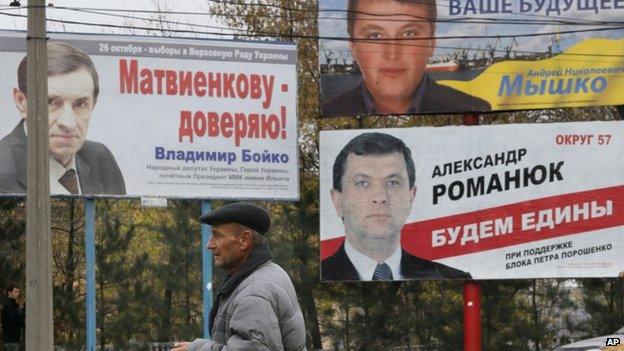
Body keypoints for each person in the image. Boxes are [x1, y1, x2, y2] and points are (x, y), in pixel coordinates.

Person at [322, 132, 471, 281]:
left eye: (393, 183)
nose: (380, 198)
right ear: (338, 201)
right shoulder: (313, 281)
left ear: (411, 196)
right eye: (362, 183)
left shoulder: (453, 279)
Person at [172, 202, 307, 351]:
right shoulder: (271, 270)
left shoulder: (253, 294)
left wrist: (197, 349)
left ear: (244, 240)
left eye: (217, 235)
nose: (209, 244)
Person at [322, 0, 491, 116]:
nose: (393, 54)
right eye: (375, 35)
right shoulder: (329, 111)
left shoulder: (475, 108)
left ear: (432, 44)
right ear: (353, 47)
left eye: (409, 34)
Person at [0, 41, 126, 195]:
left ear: (94, 104)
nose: (68, 123)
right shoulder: (3, 169)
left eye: (80, 104)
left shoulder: (101, 159)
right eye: (51, 102)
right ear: (21, 102)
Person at [1, 285, 25, 351]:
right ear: (9, 293)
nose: (17, 294)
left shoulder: (13, 305)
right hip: (11, 341)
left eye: (18, 292)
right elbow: (15, 321)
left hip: (14, 341)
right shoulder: (8, 305)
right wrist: (23, 311)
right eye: (15, 292)